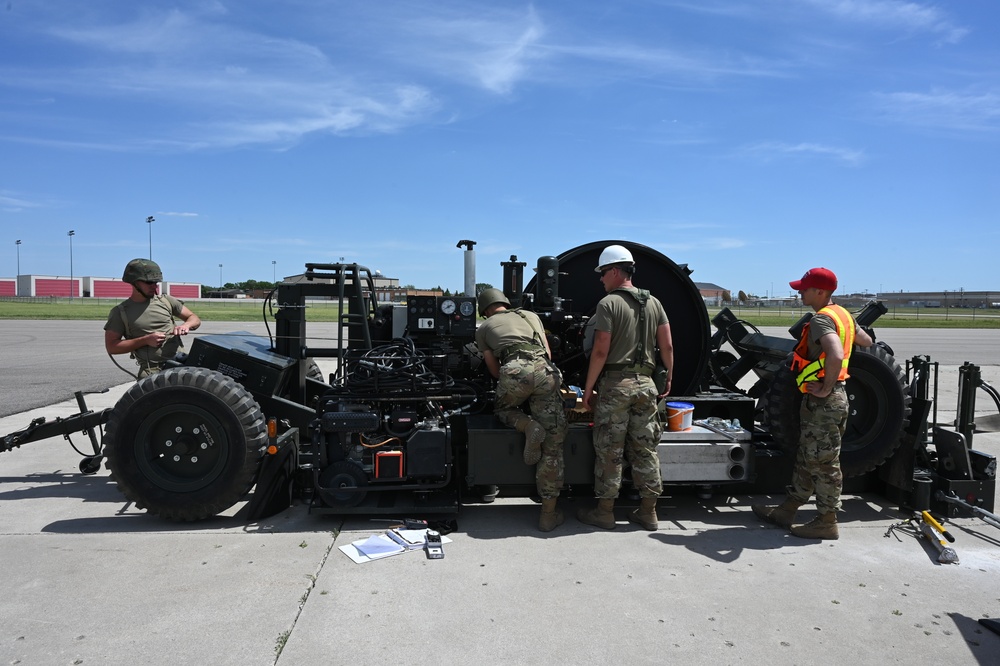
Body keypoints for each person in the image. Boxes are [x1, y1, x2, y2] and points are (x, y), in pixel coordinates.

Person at [751, 267, 873, 540]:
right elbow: (867, 340)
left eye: (804, 289)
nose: (800, 292)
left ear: (820, 291)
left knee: (824, 463)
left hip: (825, 401)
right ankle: (789, 508)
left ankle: (827, 520)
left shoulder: (821, 320)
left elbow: (836, 353)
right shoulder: (842, 314)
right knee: (809, 456)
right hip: (834, 399)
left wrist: (826, 386)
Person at [577, 244, 673, 531]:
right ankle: (648, 512)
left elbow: (600, 351)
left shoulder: (608, 304)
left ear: (616, 271)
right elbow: (667, 345)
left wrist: (587, 390)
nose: (601, 278)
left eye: (603, 272)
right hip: (646, 386)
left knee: (610, 450)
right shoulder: (654, 303)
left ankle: (605, 512)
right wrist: (668, 377)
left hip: (617, 386)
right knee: (645, 449)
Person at [475, 287, 568, 532]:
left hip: (514, 369)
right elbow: (548, 352)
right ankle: (548, 514)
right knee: (553, 446)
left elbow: (494, 370)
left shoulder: (484, 328)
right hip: (546, 370)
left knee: (503, 409)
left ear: (484, 310)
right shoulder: (531, 315)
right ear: (505, 302)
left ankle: (528, 425)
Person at [104, 258, 201, 379]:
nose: (154, 286)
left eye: (156, 282)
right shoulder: (120, 312)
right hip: (152, 373)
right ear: (134, 282)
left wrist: (186, 326)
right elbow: (112, 347)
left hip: (181, 365)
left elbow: (194, 318)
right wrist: (145, 340)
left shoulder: (166, 301)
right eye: (149, 282)